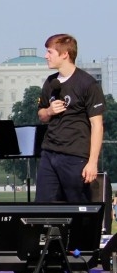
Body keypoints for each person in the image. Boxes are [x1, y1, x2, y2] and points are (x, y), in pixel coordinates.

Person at [35, 33, 105, 203]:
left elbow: (97, 125)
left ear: (65, 54)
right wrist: (49, 111)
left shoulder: (87, 84)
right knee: (43, 207)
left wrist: (92, 162)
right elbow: (41, 115)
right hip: (49, 153)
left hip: (75, 155)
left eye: (50, 52)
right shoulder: (51, 82)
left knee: (78, 208)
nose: (46, 56)